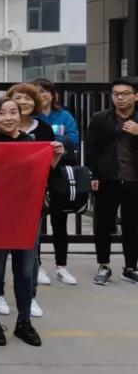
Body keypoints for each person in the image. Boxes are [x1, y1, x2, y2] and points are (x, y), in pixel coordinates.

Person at [0, 96, 64, 347]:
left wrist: (54, 158)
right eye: (1, 113)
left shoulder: (31, 143)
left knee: (26, 271)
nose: (8, 118)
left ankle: (24, 322)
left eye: (13, 112)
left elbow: (45, 177)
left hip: (27, 215)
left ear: (21, 115)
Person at [6, 82, 55, 310]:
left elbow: (49, 168)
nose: (23, 102)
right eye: (18, 98)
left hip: (31, 200)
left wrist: (55, 157)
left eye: (28, 98)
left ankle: (30, 297)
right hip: (1, 199)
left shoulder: (44, 129)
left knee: (29, 252)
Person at [85, 78, 138, 286]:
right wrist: (93, 175)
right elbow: (91, 148)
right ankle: (103, 265)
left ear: (136, 96)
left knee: (132, 225)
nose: (120, 97)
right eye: (116, 94)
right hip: (108, 178)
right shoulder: (100, 118)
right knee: (104, 224)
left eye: (125, 93)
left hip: (134, 179)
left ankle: (130, 267)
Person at [33, 78, 80, 285]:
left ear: (53, 95)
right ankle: (37, 265)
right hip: (36, 174)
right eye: (37, 91)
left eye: (45, 91)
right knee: (36, 224)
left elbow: (72, 140)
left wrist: (46, 140)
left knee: (60, 222)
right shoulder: (30, 117)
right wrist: (54, 141)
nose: (42, 94)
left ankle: (61, 266)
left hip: (59, 173)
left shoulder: (64, 116)